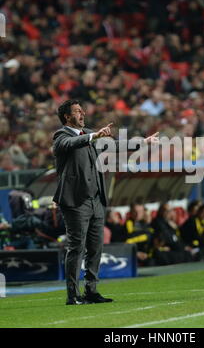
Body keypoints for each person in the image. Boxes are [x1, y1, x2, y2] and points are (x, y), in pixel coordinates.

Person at [53, 99, 158, 305]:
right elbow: (69, 144)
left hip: (96, 199)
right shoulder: (61, 136)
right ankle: (73, 295)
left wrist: (142, 142)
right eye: (77, 111)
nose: (82, 113)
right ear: (67, 117)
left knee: (95, 247)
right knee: (76, 247)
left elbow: (115, 145)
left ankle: (91, 290)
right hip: (75, 201)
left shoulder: (90, 135)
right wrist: (93, 136)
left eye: (82, 110)